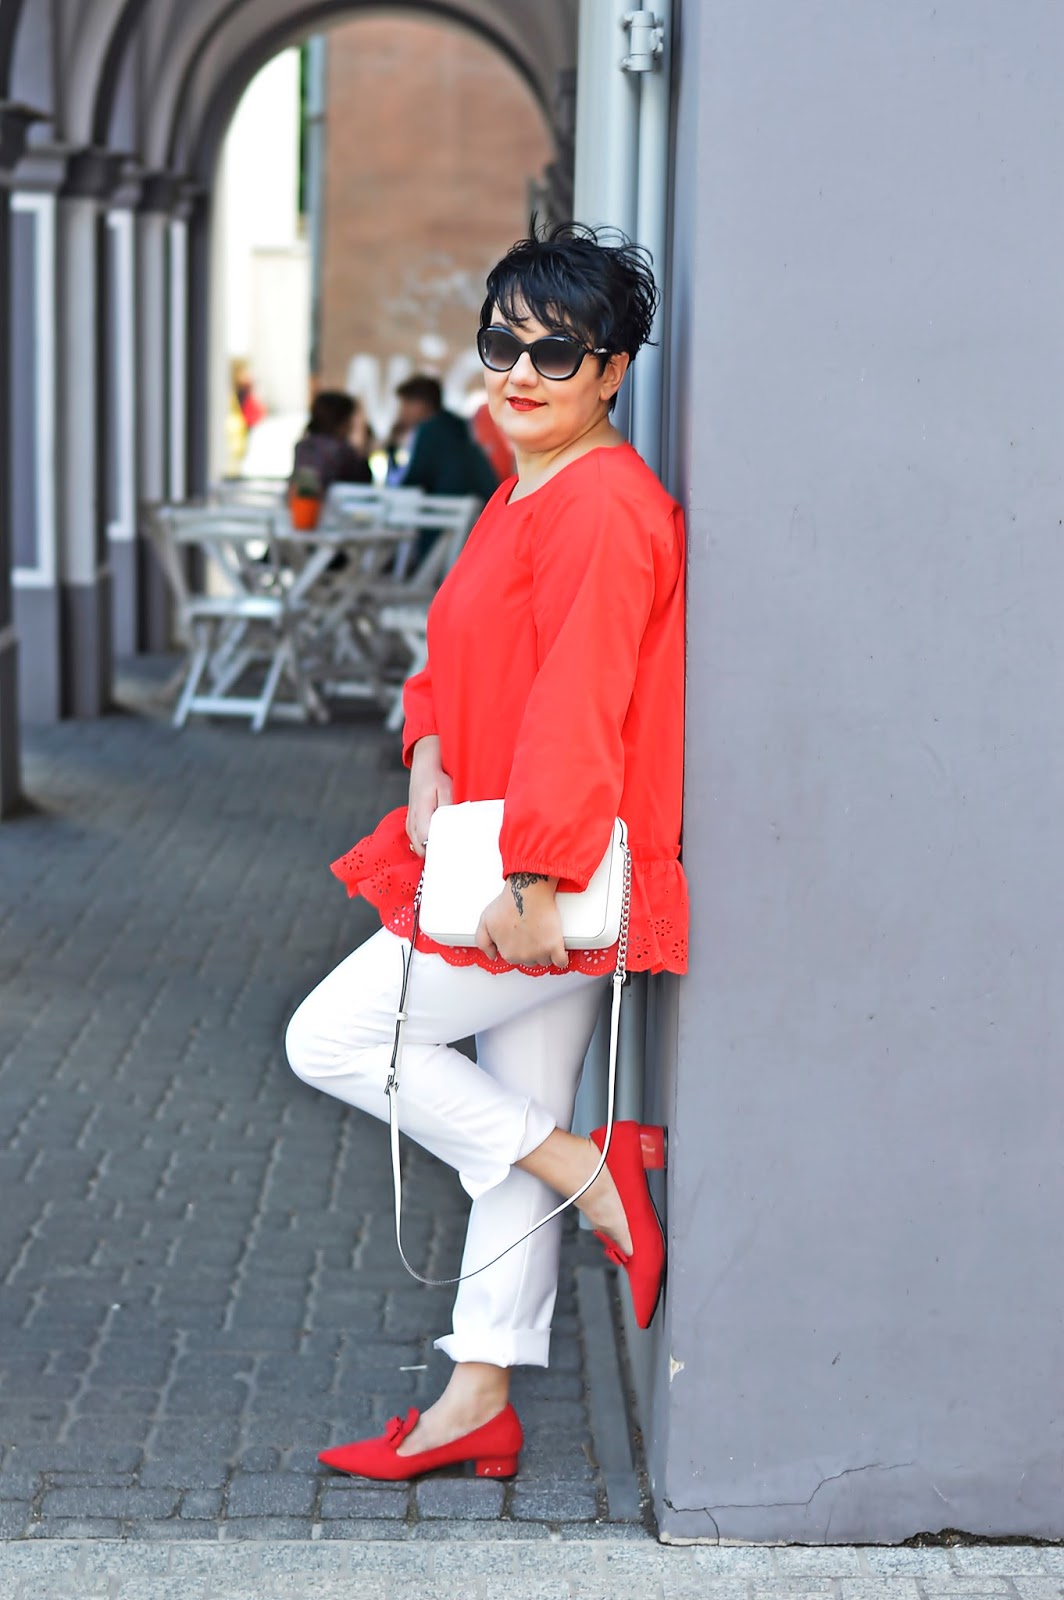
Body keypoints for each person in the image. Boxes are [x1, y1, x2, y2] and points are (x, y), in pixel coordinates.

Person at [285, 222, 688, 1483]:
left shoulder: (603, 507)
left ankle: (592, 1171)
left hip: (535, 874)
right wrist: (423, 750)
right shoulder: (525, 491)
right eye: (501, 344)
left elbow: (581, 698)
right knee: (510, 1129)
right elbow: (454, 657)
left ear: (610, 370)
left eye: (555, 352)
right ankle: (477, 1399)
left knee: (333, 1038)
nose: (519, 372)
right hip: (505, 849)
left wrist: (535, 874)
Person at [395, 374, 500, 503]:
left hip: (451, 509)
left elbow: (413, 482)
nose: (401, 412)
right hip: (480, 505)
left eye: (405, 404)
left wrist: (391, 444)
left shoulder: (430, 430)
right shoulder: (457, 425)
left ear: (419, 405)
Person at [291, 390, 374, 495]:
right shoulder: (342, 451)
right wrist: (363, 452)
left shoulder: (302, 446)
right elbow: (365, 483)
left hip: (299, 502)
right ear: (343, 423)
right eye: (350, 419)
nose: (352, 424)